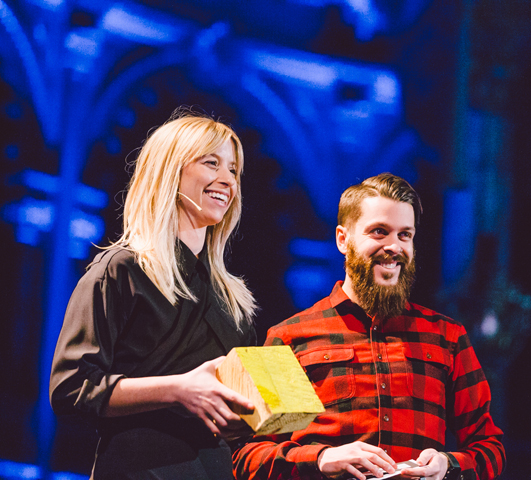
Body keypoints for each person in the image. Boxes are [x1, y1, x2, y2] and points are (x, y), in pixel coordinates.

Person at [233, 173, 505, 480]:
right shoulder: (288, 336)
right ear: (343, 239)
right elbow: (249, 456)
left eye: (405, 235)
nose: (394, 246)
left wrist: (448, 464)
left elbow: (489, 447)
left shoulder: (447, 336)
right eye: (379, 232)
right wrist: (322, 458)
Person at [50, 109, 258, 479]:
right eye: (211, 163)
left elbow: (247, 416)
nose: (227, 180)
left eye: (233, 170)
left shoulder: (234, 299)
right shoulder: (120, 270)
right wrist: (178, 389)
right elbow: (70, 388)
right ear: (169, 170)